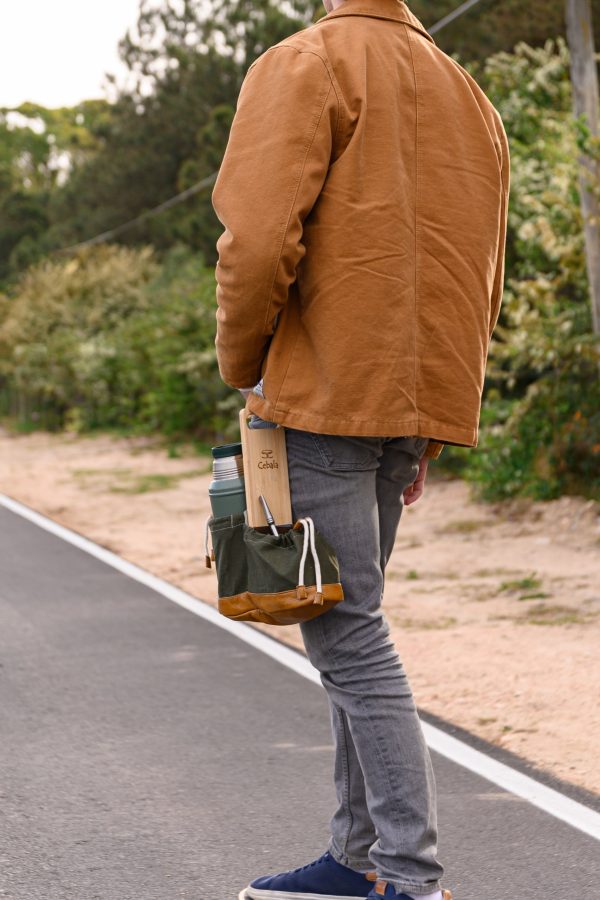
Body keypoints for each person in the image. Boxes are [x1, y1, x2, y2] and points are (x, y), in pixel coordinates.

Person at [211, 0, 510, 896]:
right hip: (408, 404)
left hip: (329, 393)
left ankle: (409, 877)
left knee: (348, 639)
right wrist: (429, 423)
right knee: (350, 616)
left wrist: (245, 363)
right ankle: (356, 859)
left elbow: (256, 242)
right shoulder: (468, 93)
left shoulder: (308, 61)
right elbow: (478, 269)